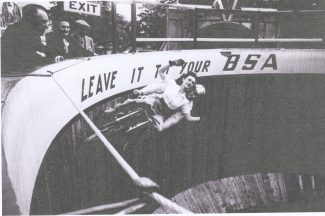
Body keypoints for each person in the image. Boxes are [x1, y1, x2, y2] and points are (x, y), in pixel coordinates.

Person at [106, 59, 206, 132]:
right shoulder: (172, 84)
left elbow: (178, 118)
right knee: (136, 101)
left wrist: (164, 126)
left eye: (192, 83)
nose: (190, 83)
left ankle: (130, 136)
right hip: (154, 102)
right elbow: (160, 71)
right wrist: (171, 64)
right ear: (184, 79)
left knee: (156, 129)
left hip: (161, 114)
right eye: (189, 80)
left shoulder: (186, 102)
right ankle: (114, 109)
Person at [1, 4, 49, 73]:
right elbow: (23, 59)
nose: (47, 26)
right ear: (29, 20)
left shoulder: (32, 33)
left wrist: (54, 55)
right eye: (43, 22)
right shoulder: (13, 33)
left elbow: (43, 50)